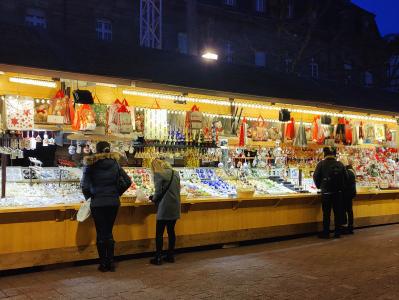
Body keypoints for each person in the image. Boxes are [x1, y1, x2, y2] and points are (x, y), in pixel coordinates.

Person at [81, 141, 131, 272]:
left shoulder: (90, 165)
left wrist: (90, 197)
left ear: (97, 150)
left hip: (98, 203)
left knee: (100, 232)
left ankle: (103, 263)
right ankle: (111, 262)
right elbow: (128, 181)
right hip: (113, 202)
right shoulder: (115, 164)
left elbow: (85, 186)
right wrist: (117, 193)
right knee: (108, 231)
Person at [149, 159, 181, 265]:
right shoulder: (175, 173)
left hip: (164, 206)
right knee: (171, 231)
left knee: (159, 233)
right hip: (175, 205)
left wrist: (152, 198)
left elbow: (158, 192)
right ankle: (170, 256)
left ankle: (158, 258)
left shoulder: (158, 174)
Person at [313, 147, 348, 239]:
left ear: (325, 154)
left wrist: (320, 186)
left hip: (326, 193)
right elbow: (346, 177)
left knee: (326, 214)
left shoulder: (321, 164)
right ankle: (337, 232)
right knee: (337, 213)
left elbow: (315, 176)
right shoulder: (340, 164)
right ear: (334, 155)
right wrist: (341, 188)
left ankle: (326, 233)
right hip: (338, 193)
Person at [343, 158, 356, 234]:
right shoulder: (352, 171)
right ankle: (350, 226)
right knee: (349, 210)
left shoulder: (347, 172)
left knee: (346, 210)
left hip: (346, 193)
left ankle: (347, 227)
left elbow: (345, 183)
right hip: (351, 193)